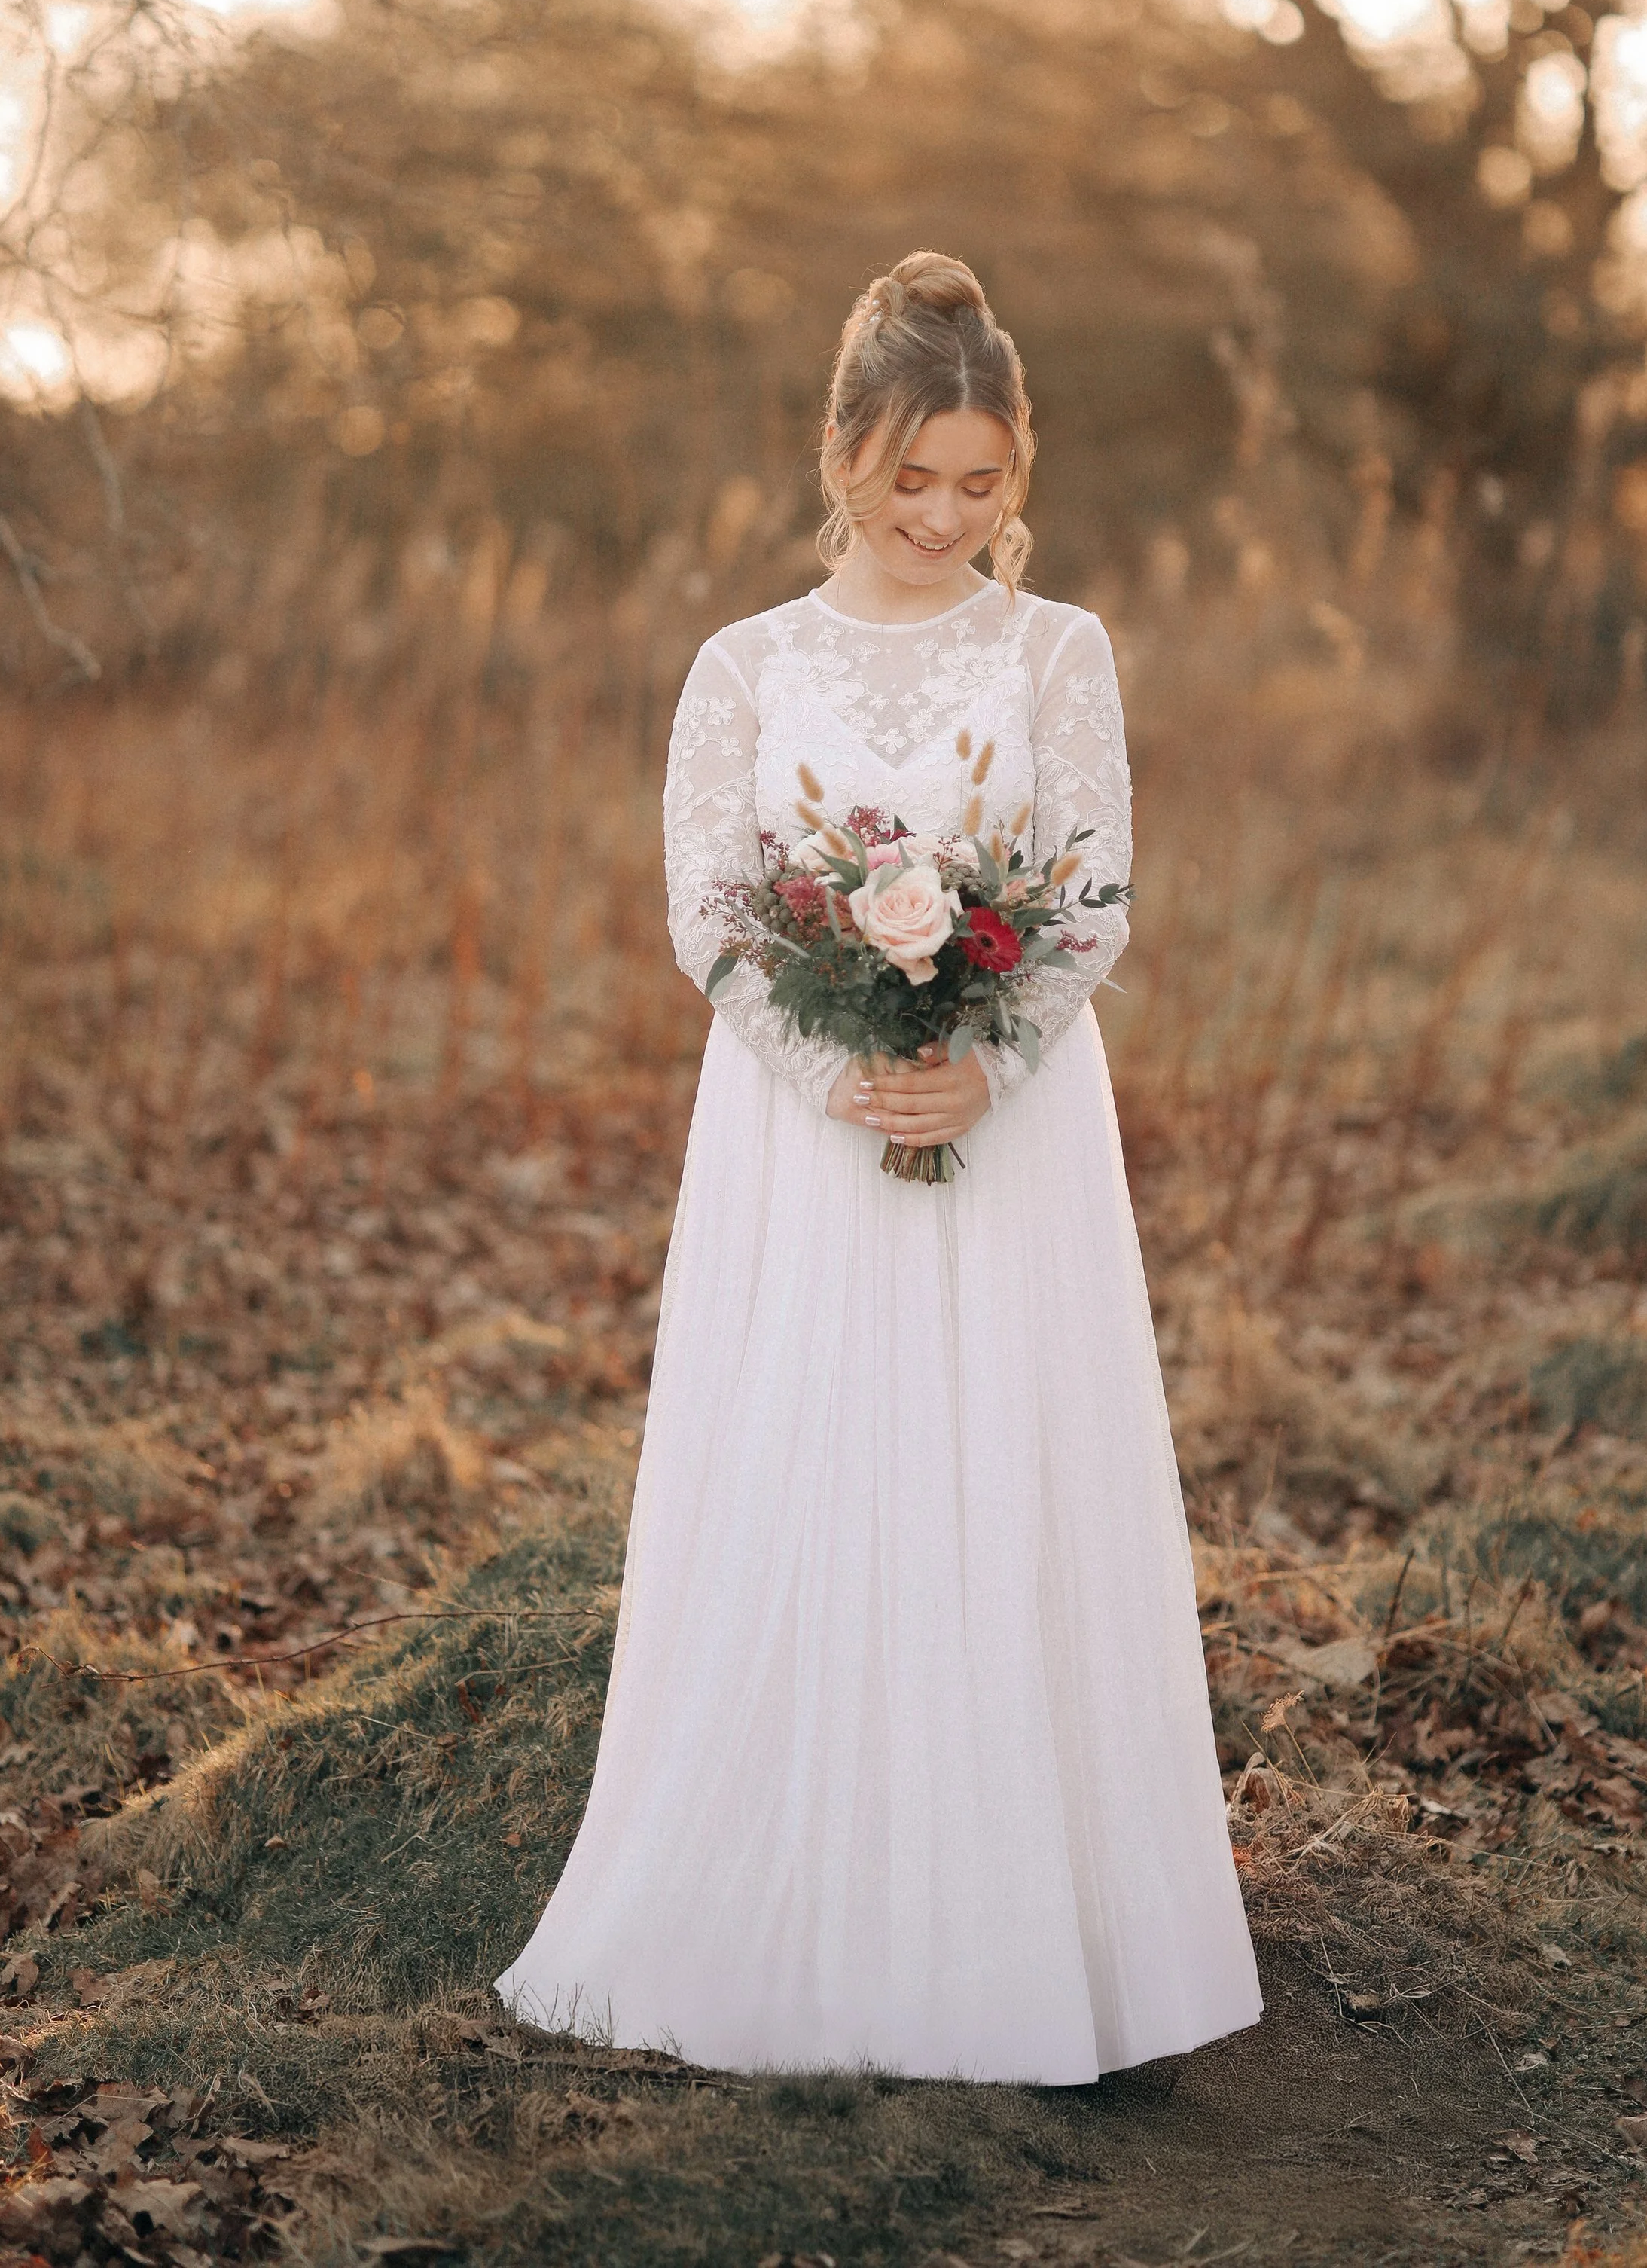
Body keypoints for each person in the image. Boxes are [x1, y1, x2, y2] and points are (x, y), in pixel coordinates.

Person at [496, 252, 1261, 2082]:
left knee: (1001, 1466)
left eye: (978, 485)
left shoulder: (1054, 649)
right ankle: (789, 1894)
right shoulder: (741, 667)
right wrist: (836, 1063)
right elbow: (706, 908)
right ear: (840, 453)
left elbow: (1086, 899)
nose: (939, 519)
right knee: (814, 1457)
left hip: (1009, 1128)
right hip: (804, 1138)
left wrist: (976, 1065)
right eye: (906, 478)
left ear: (1018, 475)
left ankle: (1025, 1921)